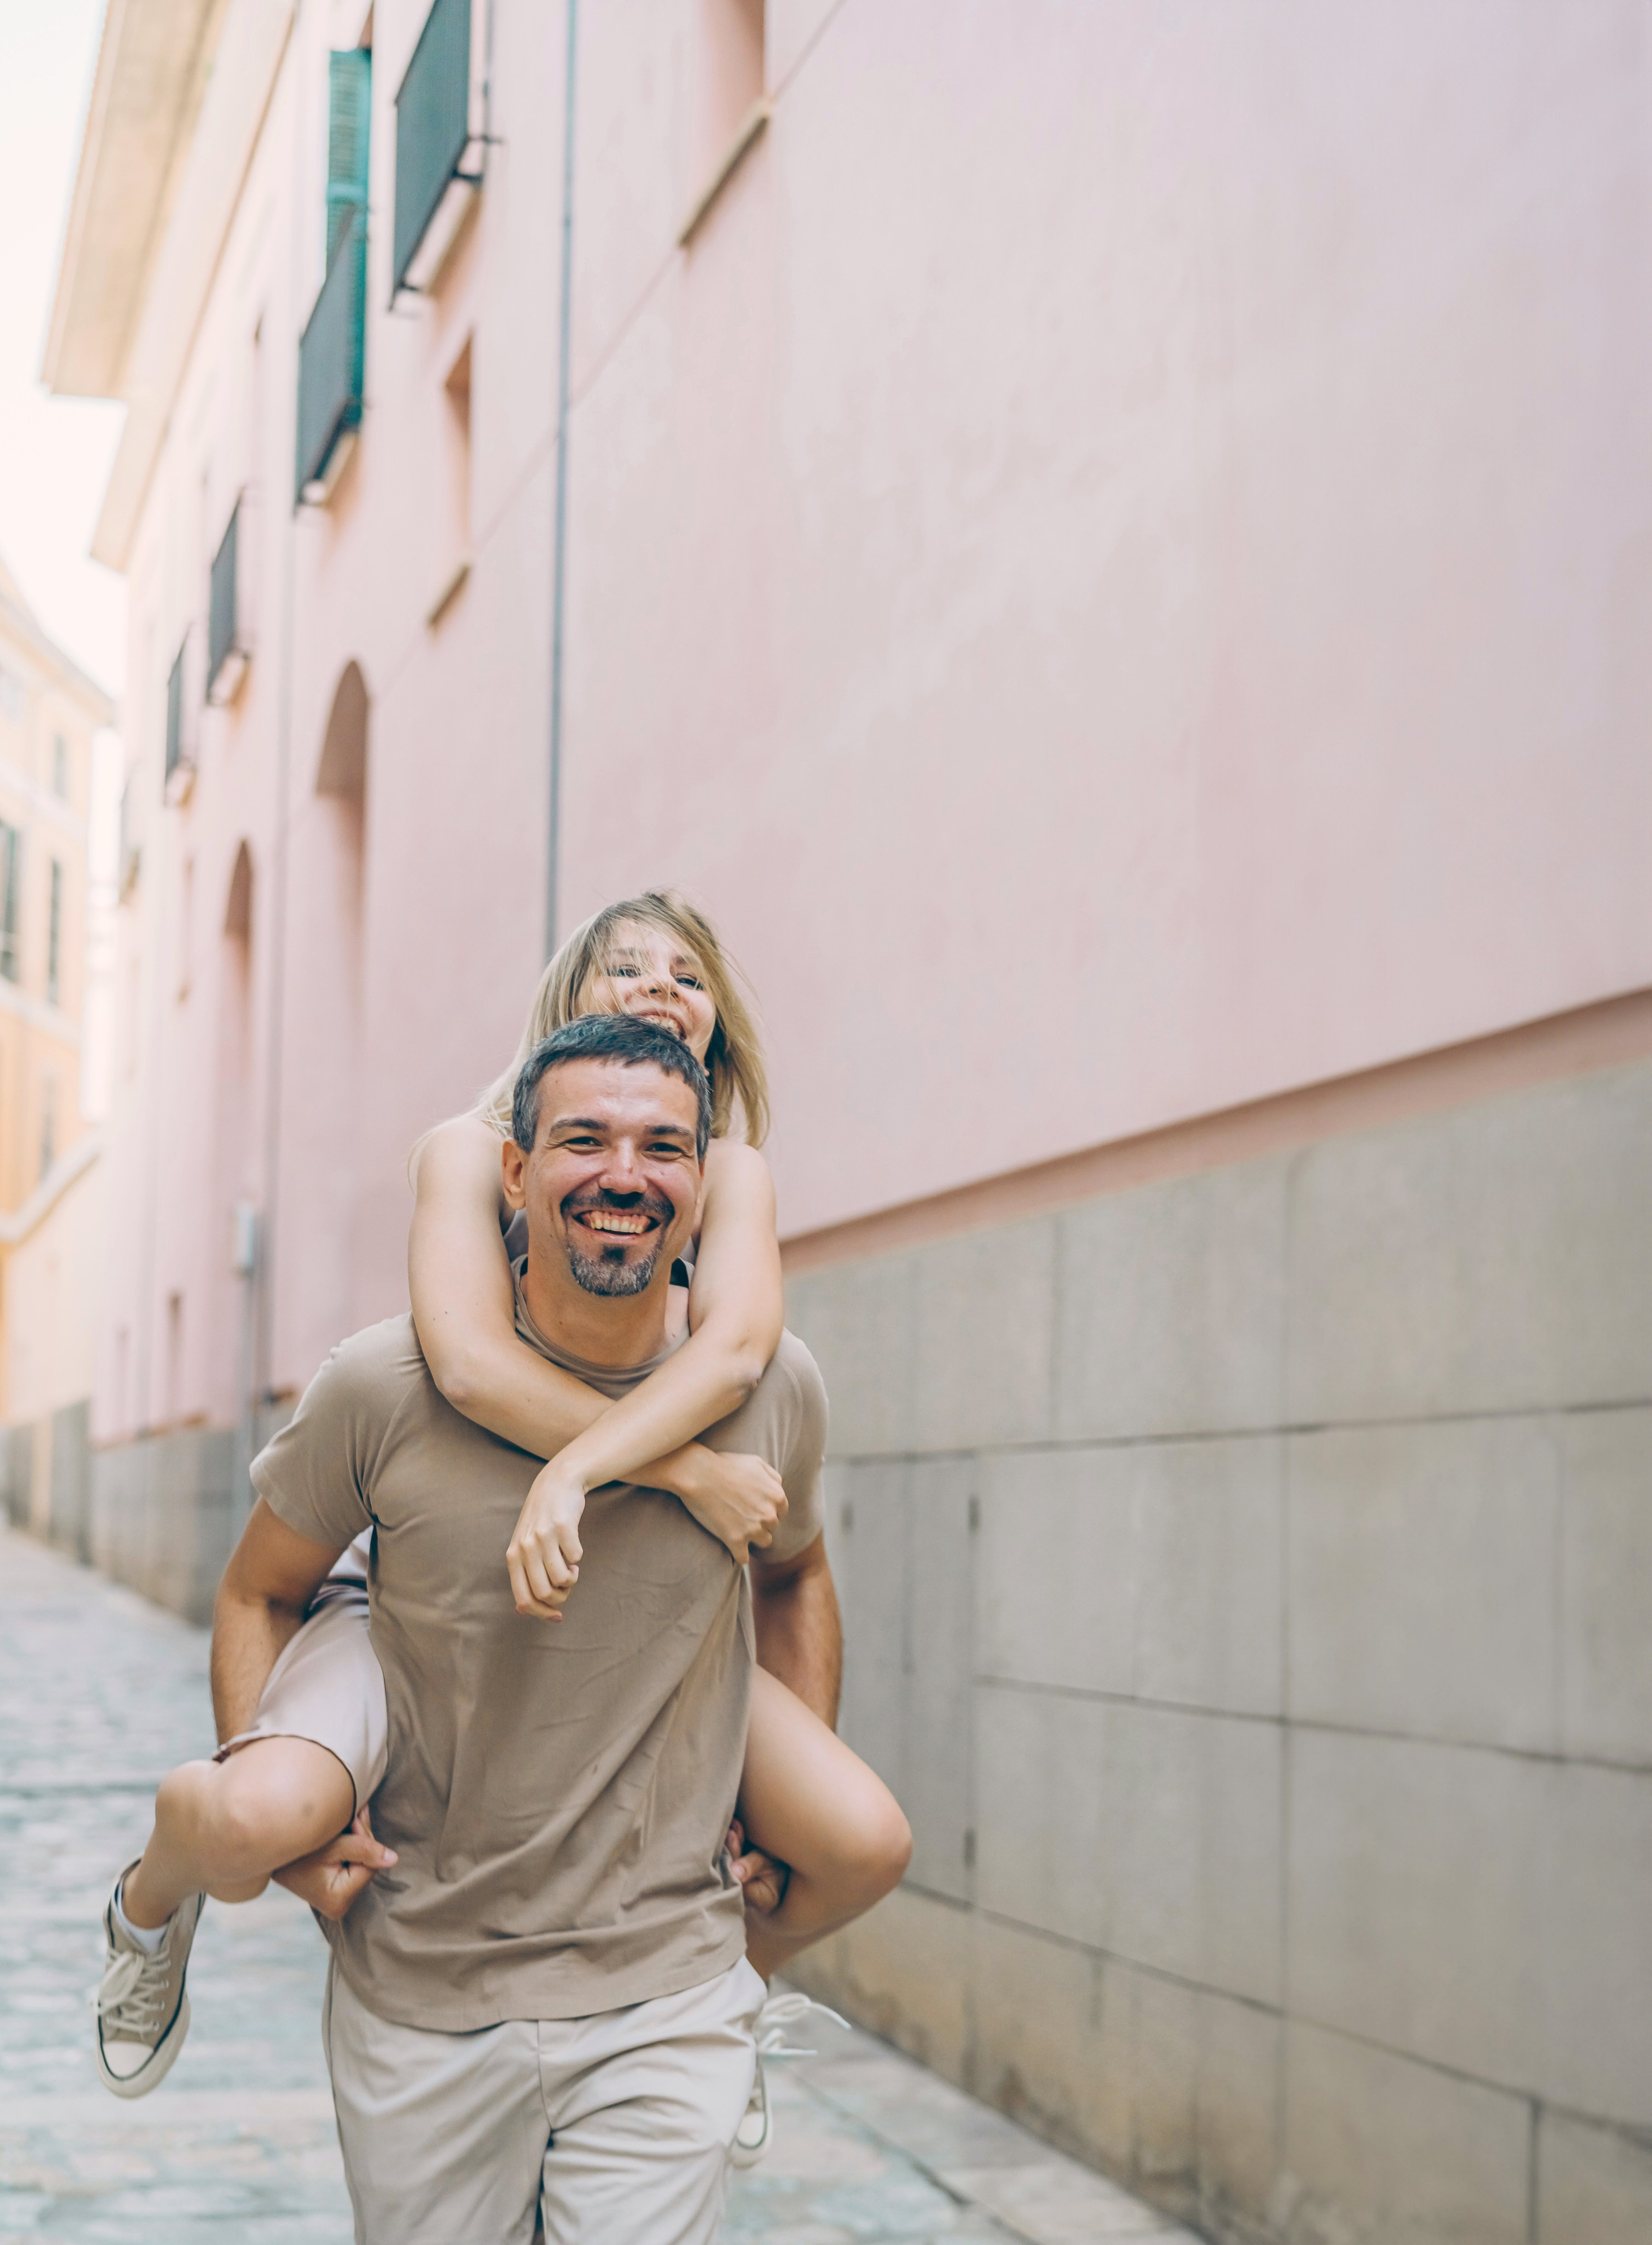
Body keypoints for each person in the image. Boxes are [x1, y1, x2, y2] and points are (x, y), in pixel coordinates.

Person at [93, 896, 909, 2149]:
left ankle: (720, 2003)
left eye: (686, 972)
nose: (655, 985)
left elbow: (738, 1343)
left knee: (860, 1840)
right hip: (430, 1574)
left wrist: (597, 1474)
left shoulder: (723, 1171)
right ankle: (150, 1904)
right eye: (622, 964)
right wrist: (667, 1470)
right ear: (564, 1004)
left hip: (654, 1615)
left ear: (719, 1026)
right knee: (252, 1823)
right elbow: (469, 1363)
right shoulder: (474, 1150)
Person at [201, 1016, 841, 2240]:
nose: (624, 1175)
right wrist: (285, 1820)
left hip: (669, 1987)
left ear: (703, 1186)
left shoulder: (775, 1390)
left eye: (664, 1147)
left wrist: (775, 1814)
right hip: (422, 1996)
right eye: (583, 1140)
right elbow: (258, 1591)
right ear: (514, 1171)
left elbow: (797, 1577)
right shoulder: (383, 1386)